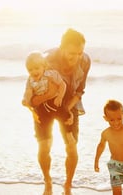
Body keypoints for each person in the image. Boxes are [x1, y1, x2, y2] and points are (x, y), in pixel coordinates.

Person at [29, 28, 91, 195]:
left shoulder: (85, 60)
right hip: (44, 106)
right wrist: (49, 96)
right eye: (72, 53)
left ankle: (68, 185)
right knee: (44, 146)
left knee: (71, 146)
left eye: (80, 52)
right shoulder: (46, 60)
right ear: (61, 48)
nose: (77, 57)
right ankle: (47, 181)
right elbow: (32, 98)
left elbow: (80, 91)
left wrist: (67, 110)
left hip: (69, 104)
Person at [94, 100, 123, 195]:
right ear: (105, 118)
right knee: (116, 192)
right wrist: (96, 161)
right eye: (112, 120)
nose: (116, 123)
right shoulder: (106, 133)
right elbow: (101, 146)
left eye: (119, 119)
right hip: (114, 165)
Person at [22, 51, 73, 125]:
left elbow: (62, 84)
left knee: (66, 119)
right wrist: (26, 99)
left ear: (44, 67)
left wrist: (60, 97)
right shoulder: (30, 80)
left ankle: (69, 132)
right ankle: (46, 134)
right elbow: (28, 91)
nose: (34, 72)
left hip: (54, 100)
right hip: (41, 104)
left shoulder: (51, 74)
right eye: (30, 70)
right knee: (43, 123)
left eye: (37, 68)